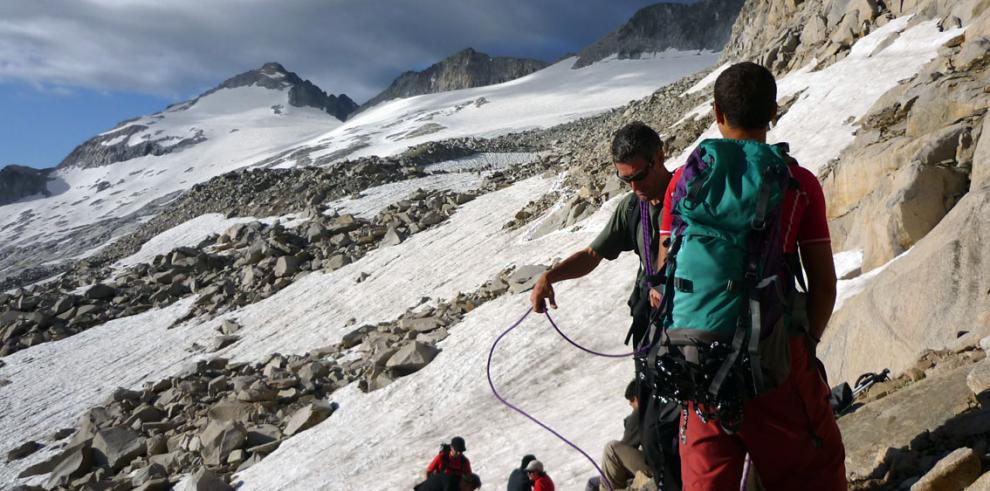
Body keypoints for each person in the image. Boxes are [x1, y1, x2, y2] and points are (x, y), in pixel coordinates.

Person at [656, 62, 845, 490]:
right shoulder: (797, 182)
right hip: (777, 358)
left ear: (717, 113)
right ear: (773, 113)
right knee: (814, 470)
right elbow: (823, 284)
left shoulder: (683, 185)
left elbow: (667, 270)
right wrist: (805, 344)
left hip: (698, 359)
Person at [529, 121, 682, 489]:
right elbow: (592, 254)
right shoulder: (633, 209)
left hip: (690, 330)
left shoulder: (691, 198)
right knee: (654, 431)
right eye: (624, 179)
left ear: (659, 157)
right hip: (651, 336)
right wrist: (550, 276)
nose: (633, 187)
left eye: (639, 176)